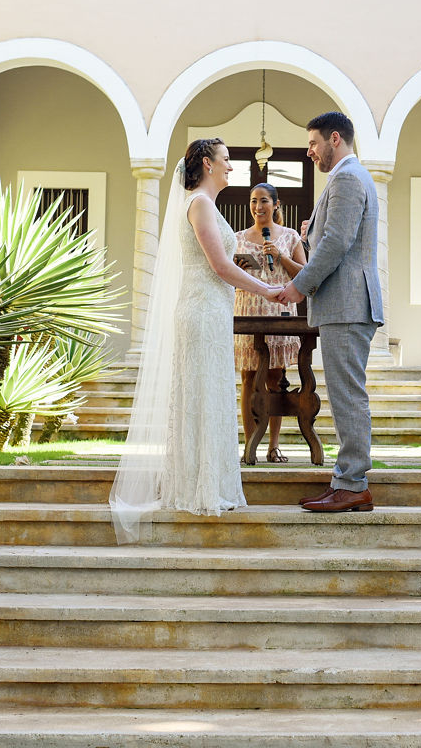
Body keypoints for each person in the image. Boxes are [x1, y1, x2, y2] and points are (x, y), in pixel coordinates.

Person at [110, 139, 283, 542]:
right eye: (226, 161)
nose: (231, 168)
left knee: (208, 396)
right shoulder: (201, 204)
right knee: (202, 396)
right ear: (207, 163)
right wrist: (266, 289)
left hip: (212, 311)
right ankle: (199, 489)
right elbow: (219, 266)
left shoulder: (205, 204)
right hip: (201, 312)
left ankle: (207, 485)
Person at [276, 111, 383, 513]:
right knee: (344, 395)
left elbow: (338, 243)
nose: (309, 152)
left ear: (334, 139)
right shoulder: (347, 179)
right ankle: (345, 480)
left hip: (348, 303)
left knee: (347, 396)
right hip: (346, 303)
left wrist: (296, 287)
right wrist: (310, 232)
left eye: (313, 143)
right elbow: (337, 237)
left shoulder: (348, 178)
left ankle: (353, 484)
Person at [234, 182, 307, 463]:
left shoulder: (290, 237)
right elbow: (223, 273)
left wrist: (281, 257)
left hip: (280, 312)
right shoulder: (238, 237)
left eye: (264, 201)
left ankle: (273, 446)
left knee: (276, 379)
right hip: (247, 310)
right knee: (249, 379)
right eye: (253, 201)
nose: (258, 207)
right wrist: (237, 267)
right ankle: (250, 445)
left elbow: (305, 273)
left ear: (276, 204)